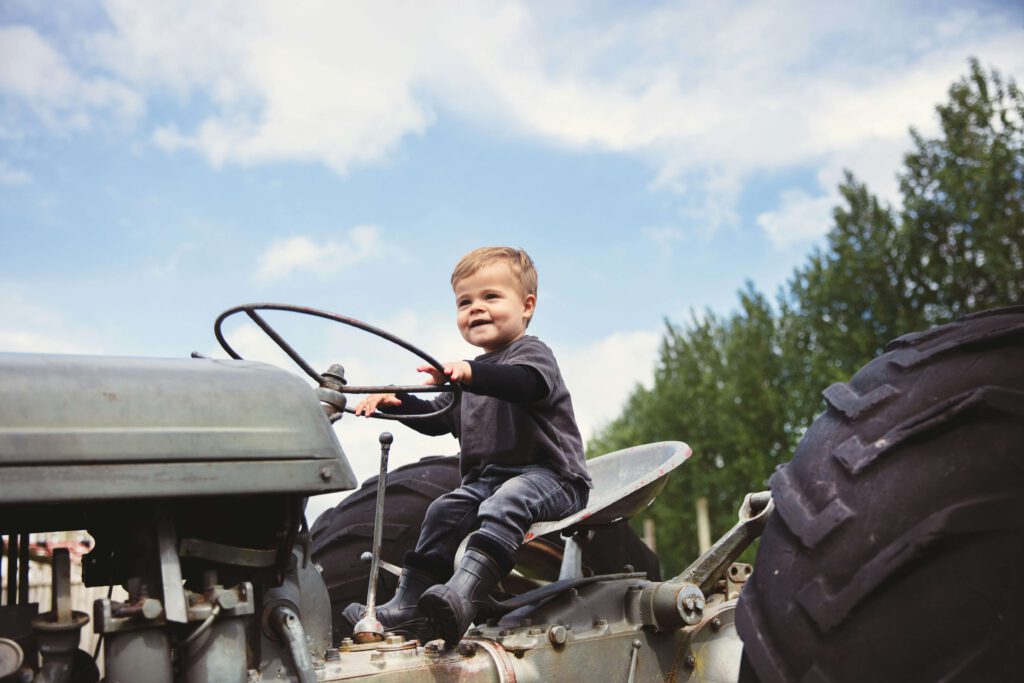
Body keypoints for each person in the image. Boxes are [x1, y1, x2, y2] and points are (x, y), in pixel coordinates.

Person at [342, 246, 593, 646]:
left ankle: (464, 596)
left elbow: (526, 384)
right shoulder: (469, 378)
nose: (476, 308)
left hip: (553, 478)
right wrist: (398, 403)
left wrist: (472, 372)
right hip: (488, 481)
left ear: (527, 306)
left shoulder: (530, 354)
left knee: (507, 501)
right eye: (465, 301)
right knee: (444, 509)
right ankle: (408, 606)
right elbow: (438, 418)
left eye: (491, 297)